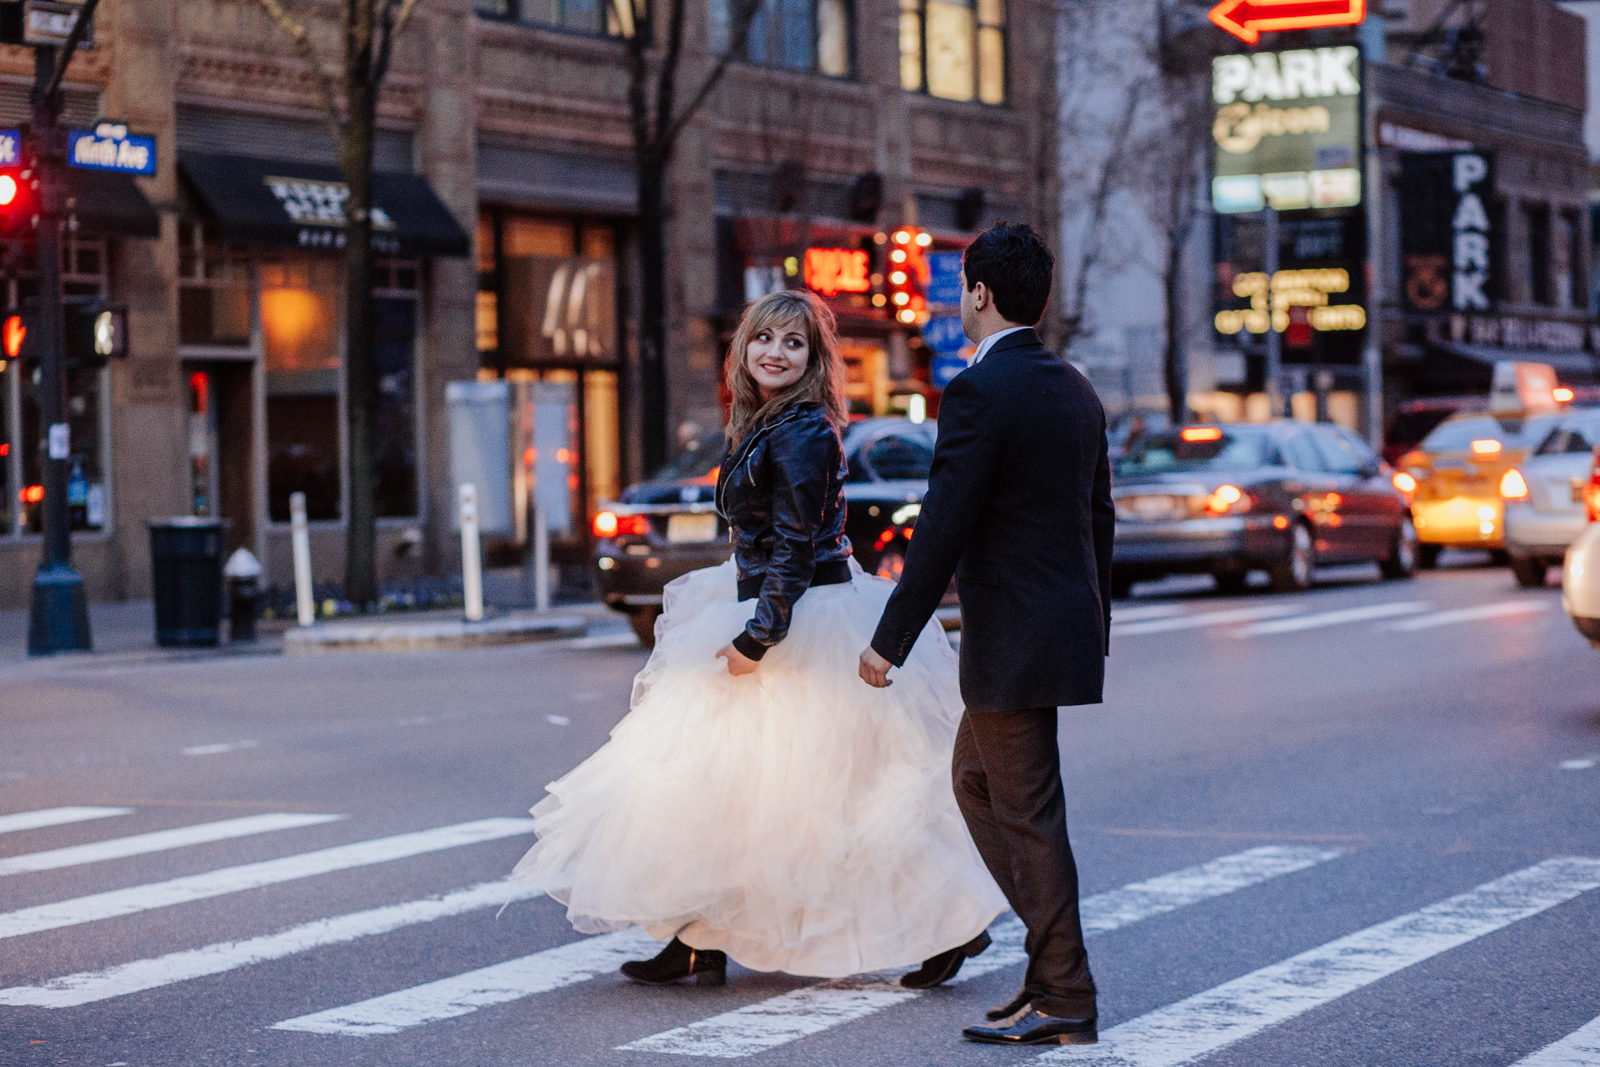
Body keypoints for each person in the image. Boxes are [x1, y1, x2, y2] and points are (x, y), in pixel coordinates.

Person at [511, 289, 1005, 985]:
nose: (775, 352)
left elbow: (797, 549)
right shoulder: (763, 421)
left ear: (812, 358)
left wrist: (758, 637)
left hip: (801, 619)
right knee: (714, 789)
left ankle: (950, 923)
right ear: (742, 348)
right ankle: (697, 936)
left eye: (793, 343)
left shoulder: (803, 430)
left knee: (840, 796)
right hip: (766, 606)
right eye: (763, 339)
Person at [860, 222, 1115, 1047]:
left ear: (979, 293)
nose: (956, 298)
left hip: (1013, 636)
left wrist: (889, 639)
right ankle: (1048, 973)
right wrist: (1093, 620)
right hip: (1058, 625)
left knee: (1029, 811)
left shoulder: (979, 392)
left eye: (960, 287)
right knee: (974, 779)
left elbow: (943, 523)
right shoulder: (1074, 385)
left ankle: (1066, 991)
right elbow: (1098, 519)